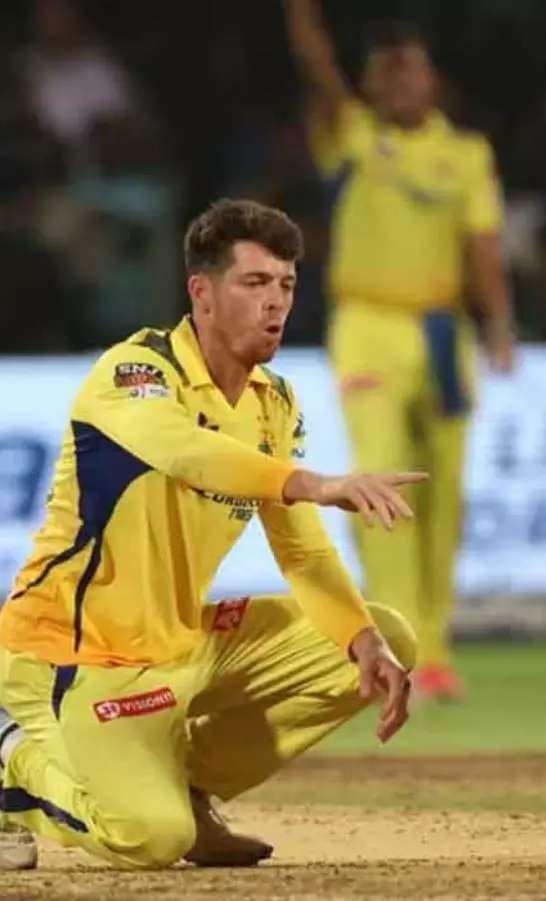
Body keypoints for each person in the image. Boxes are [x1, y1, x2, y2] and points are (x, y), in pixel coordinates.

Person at [0, 199, 422, 870]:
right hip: (75, 658)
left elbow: (303, 552)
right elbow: (186, 451)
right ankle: (11, 756)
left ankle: (190, 788)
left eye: (286, 284)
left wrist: (364, 643)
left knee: (381, 637)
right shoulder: (135, 372)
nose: (275, 302)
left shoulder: (273, 401)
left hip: (179, 645)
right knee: (151, 839)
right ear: (201, 292)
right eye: (254, 282)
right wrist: (312, 482)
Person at [284, 0, 515, 701]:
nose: (400, 80)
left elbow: (483, 244)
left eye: (411, 67)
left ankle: (436, 649)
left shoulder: (466, 154)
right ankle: (395, 642)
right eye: (385, 70)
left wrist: (500, 321)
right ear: (370, 85)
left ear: (433, 80)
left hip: (444, 331)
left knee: (442, 493)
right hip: (367, 326)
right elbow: (318, 72)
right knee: (381, 481)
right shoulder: (353, 135)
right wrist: (303, 20)